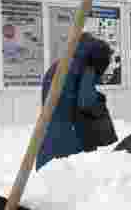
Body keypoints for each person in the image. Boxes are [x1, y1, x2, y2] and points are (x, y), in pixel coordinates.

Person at [36, 33, 114, 171]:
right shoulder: (85, 67)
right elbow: (86, 101)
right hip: (70, 136)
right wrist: (100, 103)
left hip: (48, 133)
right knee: (69, 181)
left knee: (48, 182)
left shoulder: (61, 64)